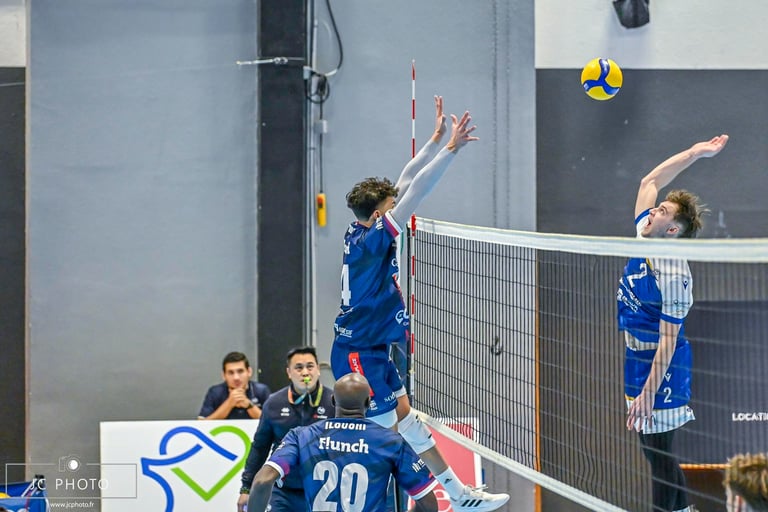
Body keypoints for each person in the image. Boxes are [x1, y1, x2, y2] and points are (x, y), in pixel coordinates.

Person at [330, 96, 509, 512]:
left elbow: (405, 182)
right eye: (390, 209)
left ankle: (459, 495)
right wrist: (452, 150)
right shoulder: (375, 240)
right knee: (381, 441)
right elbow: (418, 190)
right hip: (357, 353)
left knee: (408, 419)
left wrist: (434, 141)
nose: (397, 209)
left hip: (372, 346)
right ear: (378, 216)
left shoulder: (360, 229)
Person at [616, 134, 729, 512]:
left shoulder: (674, 273)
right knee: (652, 450)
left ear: (673, 230)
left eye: (661, 211)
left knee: (659, 451)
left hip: (664, 362)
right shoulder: (643, 235)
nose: (652, 211)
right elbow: (650, 181)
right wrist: (696, 153)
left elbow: (668, 340)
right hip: (636, 356)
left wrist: (649, 391)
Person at [247, 372, 439, 512]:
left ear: (333, 400)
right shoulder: (390, 442)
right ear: (367, 403)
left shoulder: (302, 435)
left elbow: (263, 481)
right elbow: (429, 505)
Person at [236, 346, 334, 512]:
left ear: (318, 370)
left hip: (322, 490)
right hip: (283, 491)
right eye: (298, 368)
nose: (305, 373)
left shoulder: (333, 402)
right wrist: (246, 488)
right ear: (289, 372)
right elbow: (260, 447)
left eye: (310, 366)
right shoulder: (274, 403)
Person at [198, 351, 270, 420]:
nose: (236, 378)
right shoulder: (215, 392)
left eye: (240, 371)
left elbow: (272, 421)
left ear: (249, 372)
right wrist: (229, 403)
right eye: (231, 373)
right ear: (224, 375)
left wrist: (249, 405)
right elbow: (201, 422)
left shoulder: (261, 390)